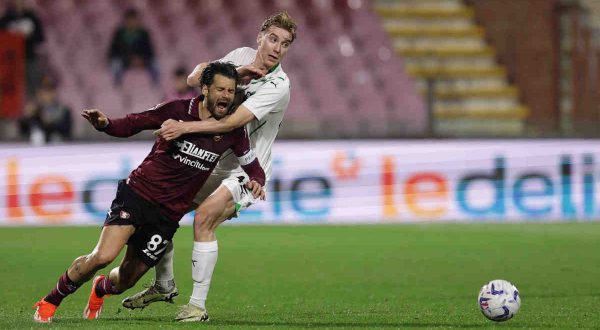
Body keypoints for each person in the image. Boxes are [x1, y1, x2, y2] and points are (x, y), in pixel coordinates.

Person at [32, 62, 266, 323]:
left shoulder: (232, 130)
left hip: (167, 216)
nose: (226, 96)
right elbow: (134, 122)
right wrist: (106, 124)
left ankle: (100, 288)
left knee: (126, 280)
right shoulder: (177, 110)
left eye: (231, 91)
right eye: (220, 89)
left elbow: (253, 165)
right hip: (138, 195)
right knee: (103, 256)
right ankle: (50, 300)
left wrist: (257, 179)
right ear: (205, 89)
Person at [122, 11, 297, 322]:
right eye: (272, 39)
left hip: (247, 169)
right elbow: (195, 79)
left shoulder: (279, 85)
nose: (276, 48)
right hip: (213, 164)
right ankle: (163, 285)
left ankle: (197, 307)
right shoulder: (241, 56)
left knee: (203, 220)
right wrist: (236, 70)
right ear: (260, 37)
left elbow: (232, 122)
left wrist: (183, 128)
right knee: (162, 210)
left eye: (284, 44)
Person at [0, 0, 45, 97]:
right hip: (10, 61)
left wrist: (28, 37)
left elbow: (40, 38)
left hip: (29, 58)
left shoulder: (31, 17)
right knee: (10, 89)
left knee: (33, 88)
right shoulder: (6, 19)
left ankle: (32, 109)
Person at [107, 8, 159, 85]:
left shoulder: (144, 33)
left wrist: (141, 58)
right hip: (124, 59)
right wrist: (129, 58)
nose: (132, 23)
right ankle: (117, 84)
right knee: (115, 64)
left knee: (155, 65)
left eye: (134, 20)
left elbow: (150, 50)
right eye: (130, 20)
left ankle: (155, 84)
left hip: (142, 60)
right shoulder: (119, 34)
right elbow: (113, 51)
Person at [18, 76, 72, 145]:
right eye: (43, 90)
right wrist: (26, 116)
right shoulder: (34, 109)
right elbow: (23, 129)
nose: (46, 94)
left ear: (54, 92)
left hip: (56, 146)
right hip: (33, 147)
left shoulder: (63, 110)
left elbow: (67, 130)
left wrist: (50, 123)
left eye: (49, 90)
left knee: (55, 138)